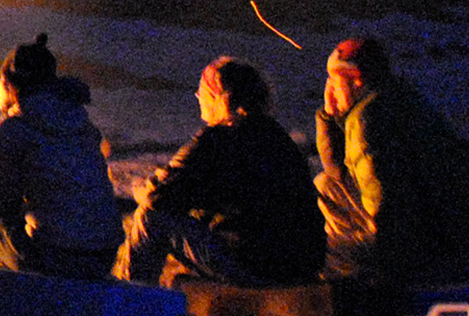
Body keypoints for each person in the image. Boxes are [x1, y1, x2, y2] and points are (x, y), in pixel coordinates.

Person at [123, 57, 326, 287]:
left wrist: (143, 188)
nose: (199, 101)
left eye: (201, 94)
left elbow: (158, 198)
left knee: (150, 220)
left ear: (215, 97)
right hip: (302, 265)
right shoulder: (279, 138)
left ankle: (130, 301)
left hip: (256, 266)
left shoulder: (218, 139)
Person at [0, 33, 124, 280]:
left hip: (57, 257)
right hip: (102, 258)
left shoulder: (13, 128)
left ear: (10, 84)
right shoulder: (82, 124)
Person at [314, 38, 469, 284]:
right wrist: (329, 117)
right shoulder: (394, 97)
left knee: (322, 251)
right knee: (326, 185)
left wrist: (374, 250)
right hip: (453, 229)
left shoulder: (367, 119)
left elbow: (384, 200)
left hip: (428, 242)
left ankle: (363, 285)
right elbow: (338, 173)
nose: (329, 87)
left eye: (335, 81)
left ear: (357, 80)